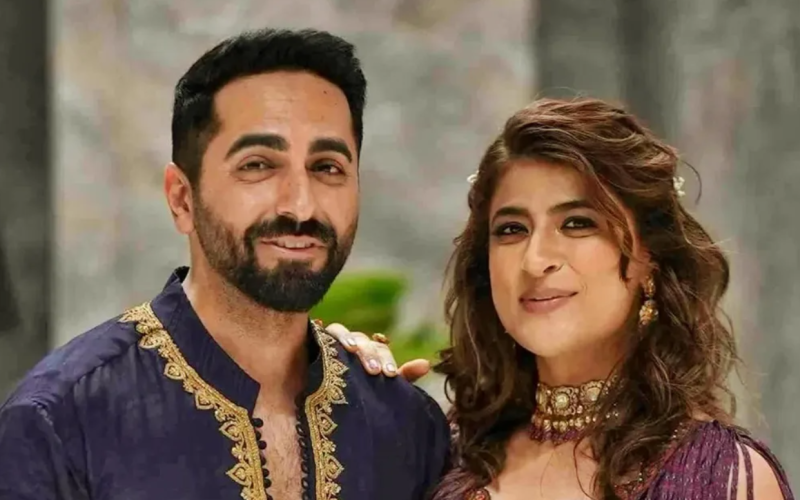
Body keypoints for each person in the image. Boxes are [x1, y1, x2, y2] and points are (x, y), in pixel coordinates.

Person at [0, 28, 450, 500]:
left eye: (327, 167)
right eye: (257, 165)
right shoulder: (61, 423)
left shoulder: (407, 429)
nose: (300, 205)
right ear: (182, 199)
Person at [326, 98, 795, 499]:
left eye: (577, 224)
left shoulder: (720, 478)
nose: (535, 260)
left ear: (649, 258)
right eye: (511, 229)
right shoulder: (441, 462)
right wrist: (338, 412)